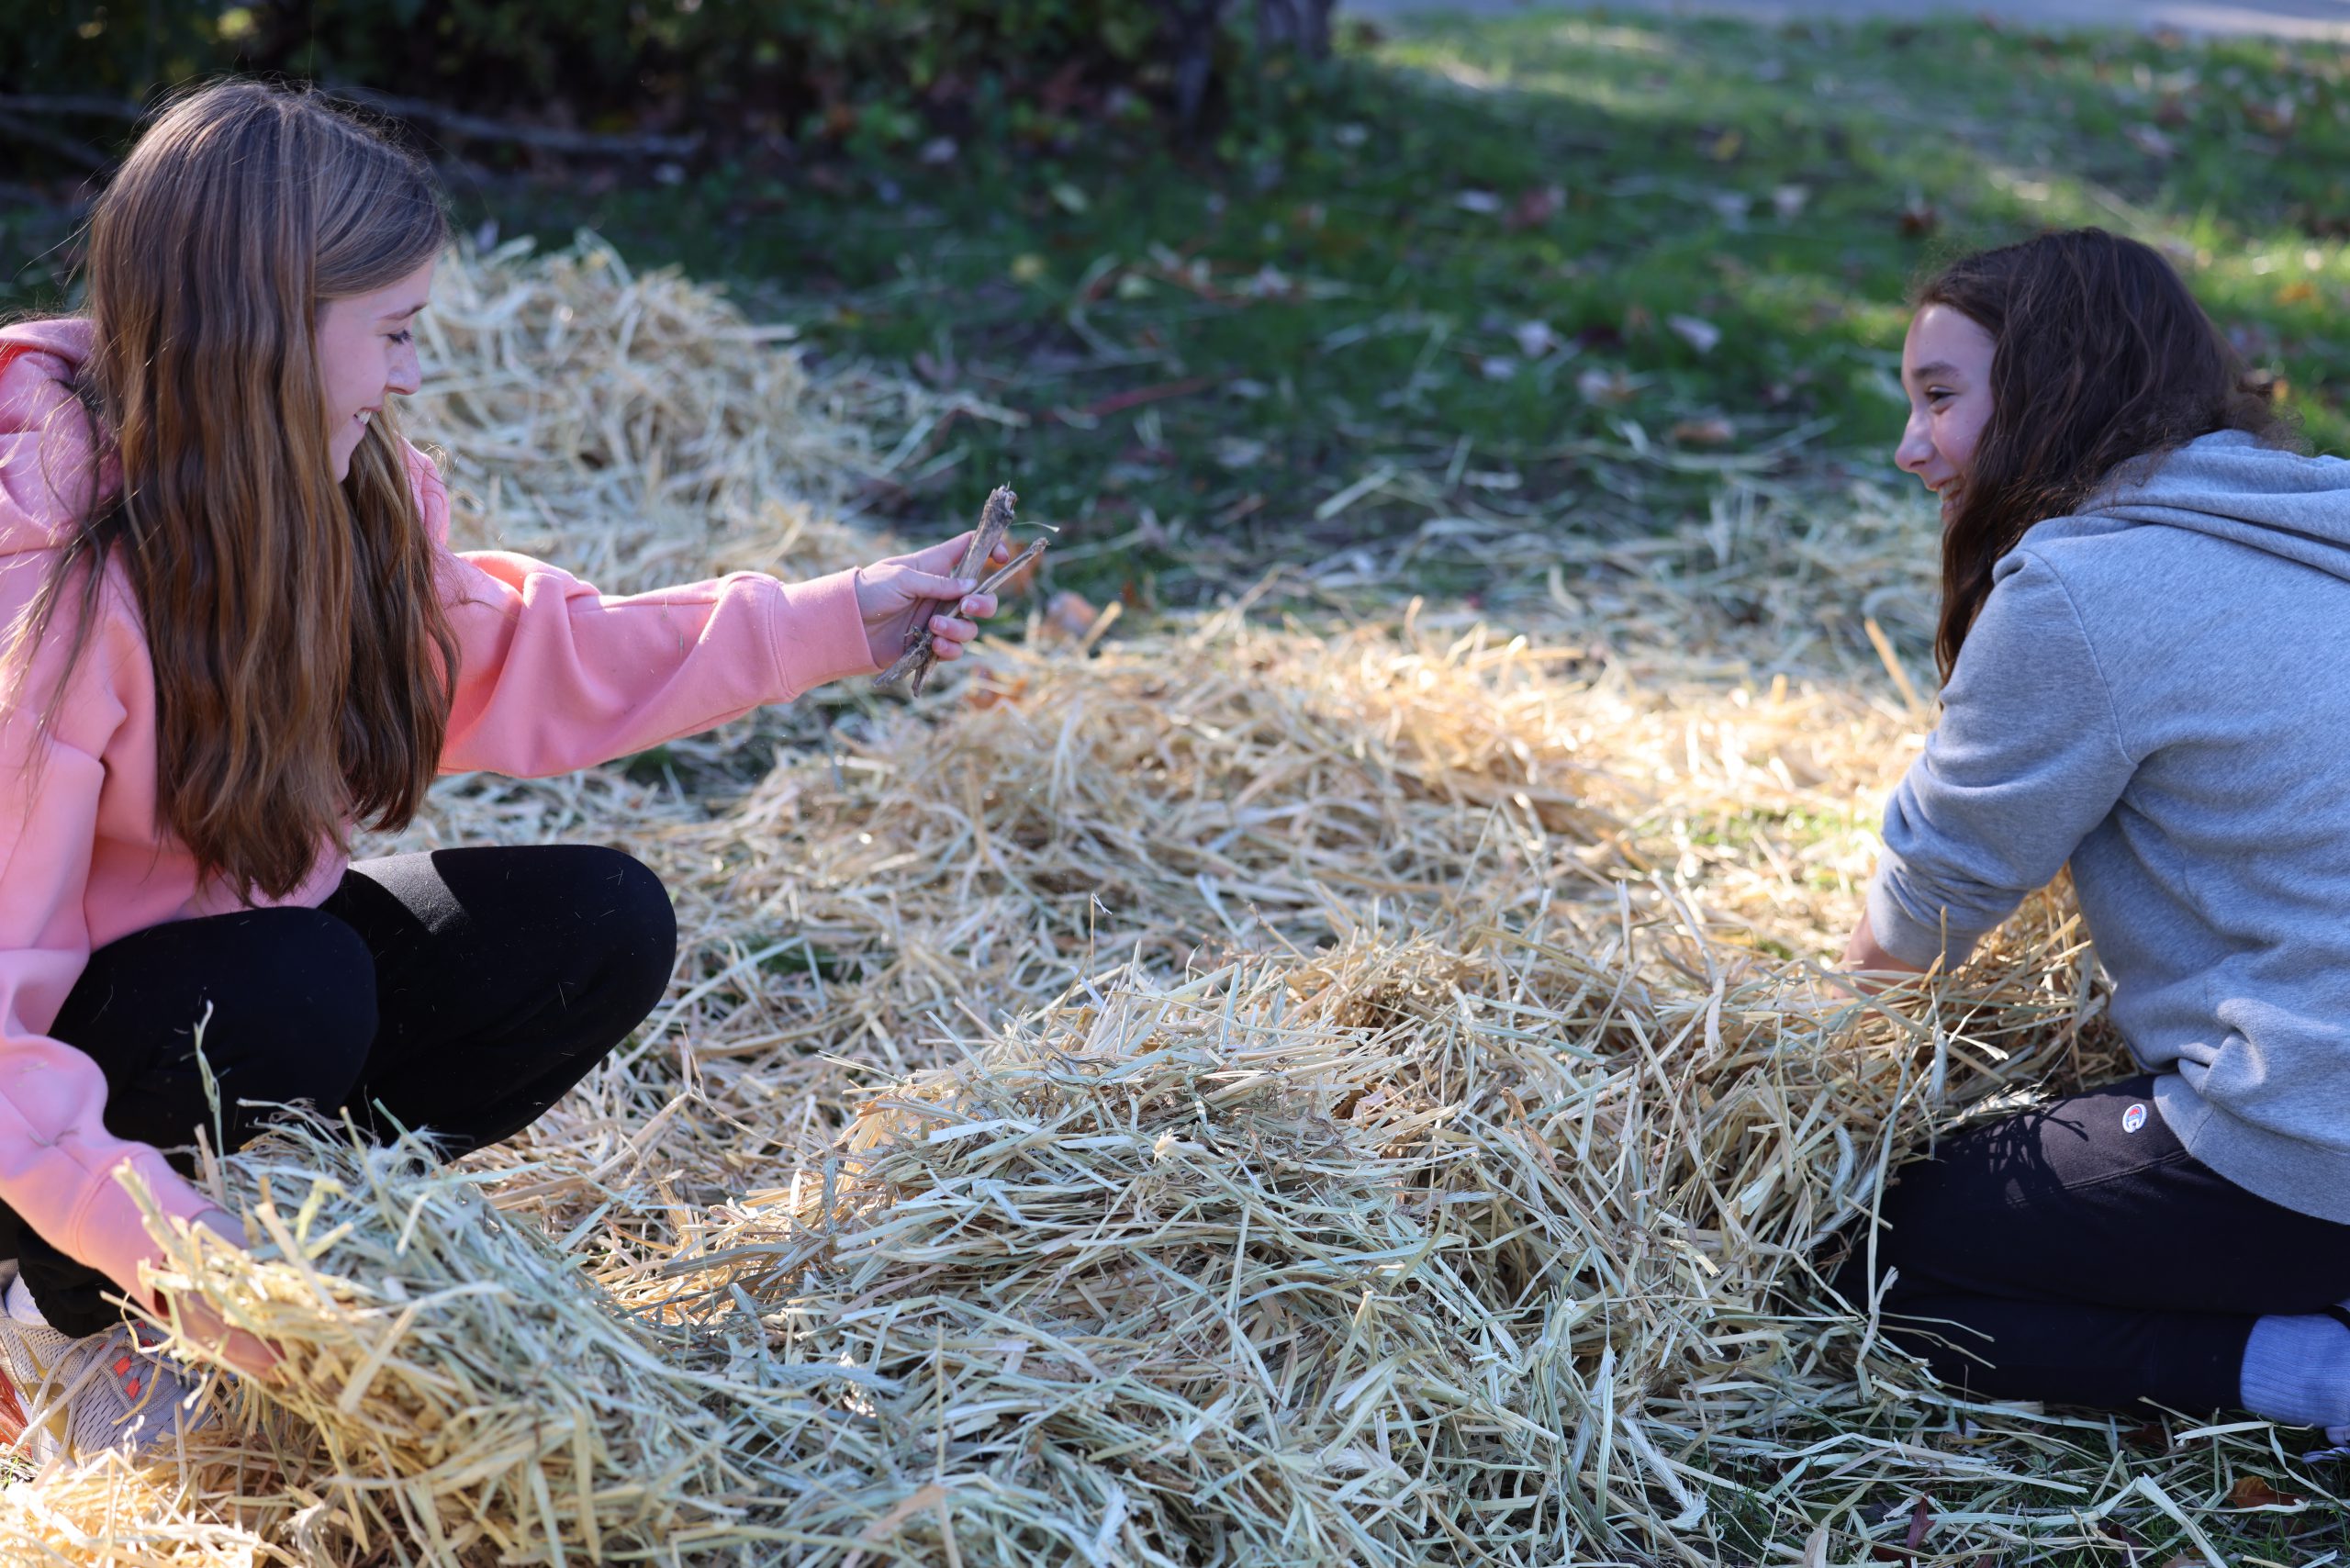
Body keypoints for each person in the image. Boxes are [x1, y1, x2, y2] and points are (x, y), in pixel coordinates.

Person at [0, 80, 1010, 1462]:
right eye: (394, 333)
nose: (414, 373)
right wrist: (227, 1296)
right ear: (265, 336)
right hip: (39, 1090)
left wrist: (841, 615)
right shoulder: (48, 602)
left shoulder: (338, 498)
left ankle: (281, 1229)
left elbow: (536, 659)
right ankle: (66, 1314)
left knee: (593, 927)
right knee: (303, 984)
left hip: (220, 997)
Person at [1836, 227, 2350, 1441]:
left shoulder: (2084, 588)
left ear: (2058, 384)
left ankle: (2313, 1372)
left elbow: (1934, 897)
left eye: (1939, 397)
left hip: (2314, 1141)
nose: (1911, 448)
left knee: (1856, 1248)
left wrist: (1790, 1093)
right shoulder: (2313, 526)